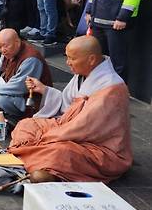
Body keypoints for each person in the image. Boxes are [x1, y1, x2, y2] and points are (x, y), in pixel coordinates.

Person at [9, 36, 132, 183]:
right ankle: (36, 160)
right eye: (67, 57)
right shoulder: (83, 74)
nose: (68, 63)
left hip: (97, 146)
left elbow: (83, 127)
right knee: (26, 124)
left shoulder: (111, 87)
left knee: (60, 153)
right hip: (66, 128)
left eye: (72, 59)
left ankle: (34, 159)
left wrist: (45, 138)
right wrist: (44, 89)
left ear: (91, 59)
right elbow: (67, 105)